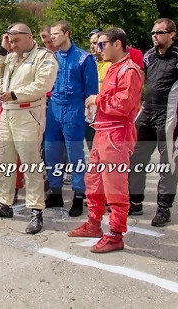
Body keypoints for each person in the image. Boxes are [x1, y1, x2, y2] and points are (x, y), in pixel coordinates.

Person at [68, 28, 143, 253]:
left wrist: (97, 100)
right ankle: (93, 223)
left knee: (115, 186)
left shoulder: (130, 70)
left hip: (117, 135)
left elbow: (123, 105)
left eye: (102, 44)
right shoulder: (113, 67)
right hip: (103, 132)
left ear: (117, 44)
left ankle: (116, 234)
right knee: (94, 182)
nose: (98, 49)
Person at [0, 23, 58, 234]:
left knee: (31, 163)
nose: (13, 44)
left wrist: (14, 94)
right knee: (5, 161)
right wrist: (1, 50)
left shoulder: (44, 57)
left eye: (16, 40)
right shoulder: (9, 57)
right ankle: (5, 204)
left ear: (29, 37)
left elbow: (43, 85)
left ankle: (36, 209)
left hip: (28, 113)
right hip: (7, 113)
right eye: (10, 40)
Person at [128, 18, 178, 226]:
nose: (155, 36)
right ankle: (135, 202)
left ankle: (163, 209)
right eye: (153, 32)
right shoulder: (149, 56)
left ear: (172, 34)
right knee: (135, 157)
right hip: (147, 112)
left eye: (159, 33)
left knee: (168, 161)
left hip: (169, 114)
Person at [44, 21, 97, 217]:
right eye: (51, 34)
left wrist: (89, 113)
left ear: (66, 33)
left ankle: (78, 194)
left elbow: (92, 91)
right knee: (51, 151)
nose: (52, 37)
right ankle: (55, 191)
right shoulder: (53, 57)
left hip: (74, 108)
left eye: (56, 34)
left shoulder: (84, 59)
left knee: (75, 154)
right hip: (54, 107)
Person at [85, 29, 111, 150]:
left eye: (95, 43)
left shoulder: (112, 64)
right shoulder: (88, 62)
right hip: (90, 112)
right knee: (92, 148)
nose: (92, 46)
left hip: (105, 112)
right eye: (91, 43)